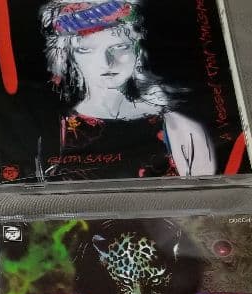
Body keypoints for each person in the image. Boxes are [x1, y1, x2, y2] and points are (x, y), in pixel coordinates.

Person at [39, 0, 215, 180]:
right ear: (69, 55)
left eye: (120, 47)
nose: (106, 62)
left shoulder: (183, 131)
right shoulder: (50, 131)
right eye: (86, 49)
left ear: (137, 50)